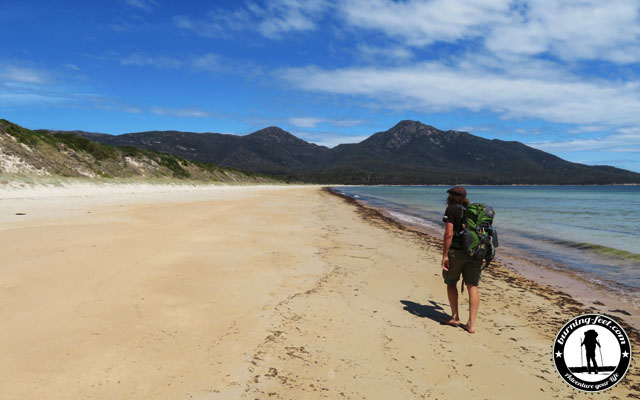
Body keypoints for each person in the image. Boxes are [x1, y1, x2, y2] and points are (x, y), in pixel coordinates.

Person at [440, 186, 482, 333]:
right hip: (474, 253)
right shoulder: (471, 210)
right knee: (473, 286)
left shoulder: (451, 209)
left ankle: (455, 317)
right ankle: (471, 324)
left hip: (457, 253)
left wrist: (445, 255)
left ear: (451, 196)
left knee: (451, 282)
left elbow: (448, 234)